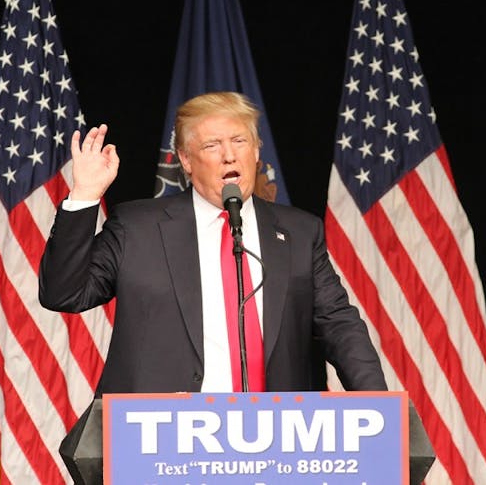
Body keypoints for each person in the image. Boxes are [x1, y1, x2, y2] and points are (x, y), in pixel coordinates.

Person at [38, 91, 386, 395]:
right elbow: (64, 294)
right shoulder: (137, 227)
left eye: (239, 141)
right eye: (211, 145)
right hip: (158, 440)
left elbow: (339, 324)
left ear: (256, 151)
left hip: (274, 439)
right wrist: (84, 196)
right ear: (186, 161)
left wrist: (377, 408)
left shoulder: (299, 232)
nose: (229, 155)